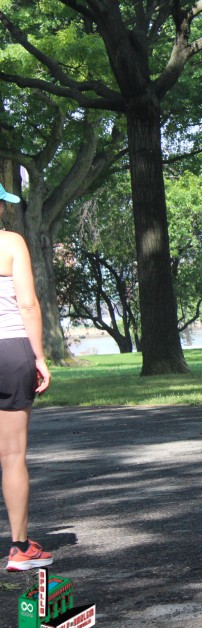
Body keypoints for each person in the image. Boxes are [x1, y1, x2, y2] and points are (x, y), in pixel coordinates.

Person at [0, 182, 52, 572]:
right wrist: (40, 357)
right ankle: (20, 548)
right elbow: (28, 304)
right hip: (10, 350)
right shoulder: (11, 242)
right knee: (13, 455)